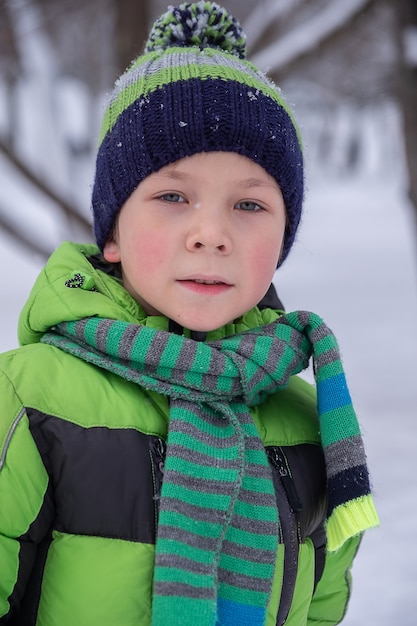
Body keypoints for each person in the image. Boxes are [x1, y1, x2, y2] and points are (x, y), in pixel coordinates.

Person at [0, 2, 379, 625]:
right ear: (112, 234)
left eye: (249, 206)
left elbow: (321, 608)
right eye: (173, 196)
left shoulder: (313, 421)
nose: (211, 234)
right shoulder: (33, 400)